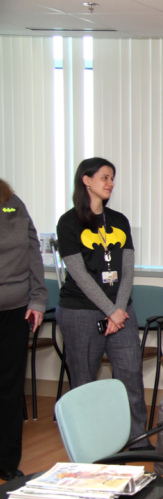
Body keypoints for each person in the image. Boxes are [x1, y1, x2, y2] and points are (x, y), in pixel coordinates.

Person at [55, 158, 149, 443]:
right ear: (86, 180)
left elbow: (127, 269)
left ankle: (138, 439)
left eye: (112, 178)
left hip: (121, 310)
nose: (110, 183)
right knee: (84, 380)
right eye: (105, 177)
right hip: (80, 311)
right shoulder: (68, 222)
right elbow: (79, 274)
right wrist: (110, 310)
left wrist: (119, 309)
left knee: (130, 375)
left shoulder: (119, 220)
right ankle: (89, 442)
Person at [0, 180, 47, 482]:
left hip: (15, 309)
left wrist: (38, 299)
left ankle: (5, 460)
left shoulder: (11, 201)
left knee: (9, 388)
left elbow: (33, 251)